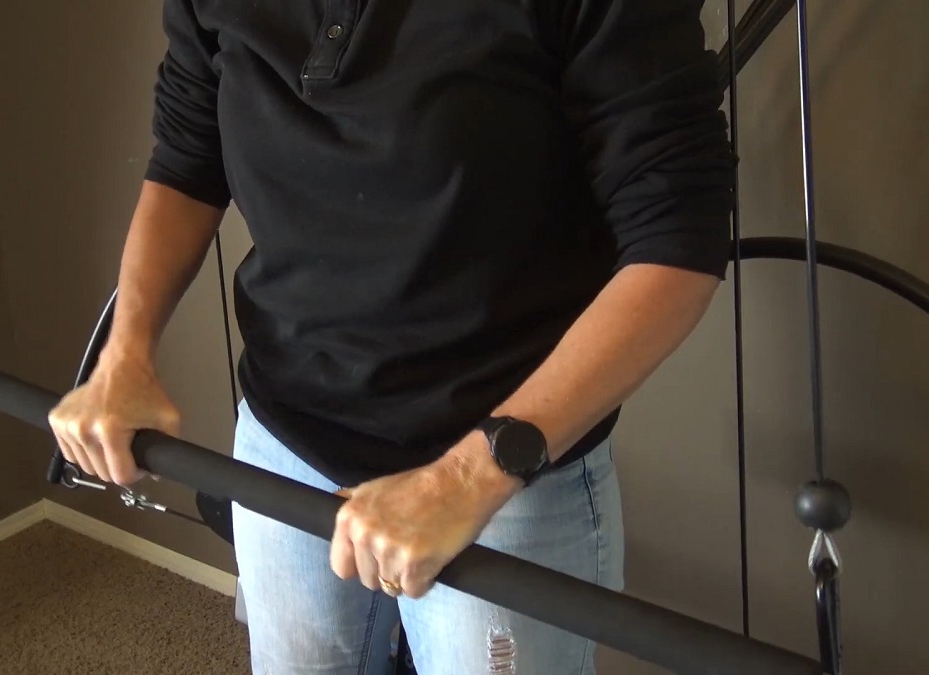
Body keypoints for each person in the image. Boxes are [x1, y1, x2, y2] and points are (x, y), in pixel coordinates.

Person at [47, 0, 735, 673]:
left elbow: (676, 247)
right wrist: (125, 354)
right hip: (285, 435)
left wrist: (469, 476)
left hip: (501, 469)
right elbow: (187, 156)